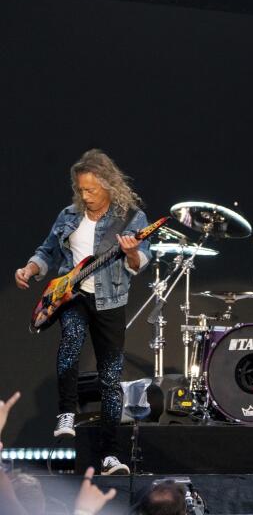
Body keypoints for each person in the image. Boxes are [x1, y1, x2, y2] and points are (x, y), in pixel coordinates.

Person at [14, 149, 151, 475]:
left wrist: (131, 254)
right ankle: (66, 414)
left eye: (92, 189)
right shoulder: (68, 215)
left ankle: (110, 455)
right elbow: (47, 250)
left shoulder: (131, 218)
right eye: (81, 189)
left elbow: (141, 261)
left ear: (108, 185)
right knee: (71, 341)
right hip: (72, 296)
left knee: (110, 378)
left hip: (110, 301)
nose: (86, 196)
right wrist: (30, 269)